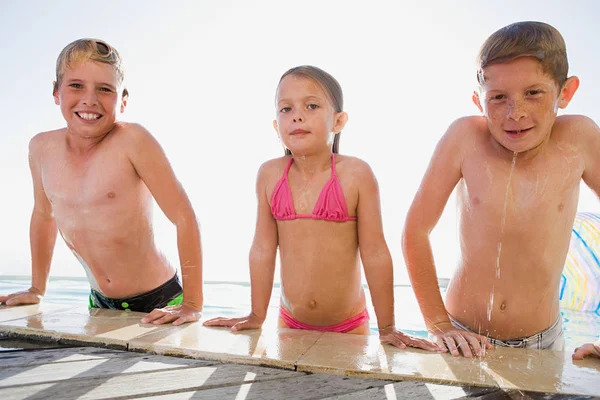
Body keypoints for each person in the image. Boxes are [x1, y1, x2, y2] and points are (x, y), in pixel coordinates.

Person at [402, 21, 600, 358]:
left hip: (543, 343)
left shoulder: (579, 139)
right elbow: (415, 231)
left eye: (533, 93)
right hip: (462, 335)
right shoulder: (464, 138)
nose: (515, 112)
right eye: (498, 98)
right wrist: (439, 326)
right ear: (479, 100)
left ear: (565, 92)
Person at [204, 65, 437, 350]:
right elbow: (262, 249)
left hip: (349, 327)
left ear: (338, 121)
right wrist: (256, 315)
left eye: (311, 105)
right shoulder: (270, 174)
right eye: (286, 109)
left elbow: (375, 252)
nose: (297, 115)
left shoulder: (356, 174)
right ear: (276, 126)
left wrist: (387, 328)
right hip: (289, 323)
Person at [0, 39, 203, 326]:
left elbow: (185, 216)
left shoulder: (133, 141)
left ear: (123, 100)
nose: (90, 99)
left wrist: (193, 303)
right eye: (76, 86)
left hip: (160, 299)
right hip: (98, 301)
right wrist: (37, 288)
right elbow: (45, 215)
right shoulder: (41, 148)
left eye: (105, 89)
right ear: (56, 92)